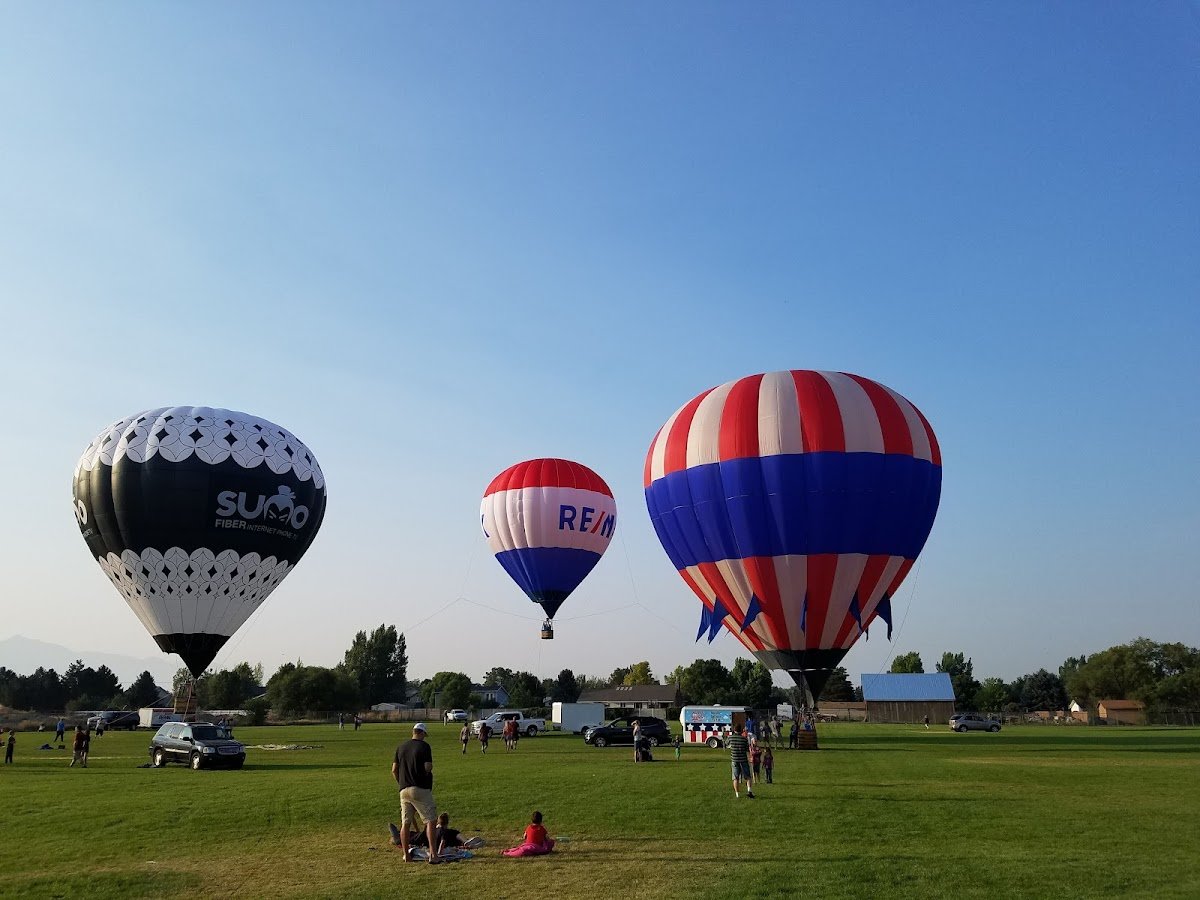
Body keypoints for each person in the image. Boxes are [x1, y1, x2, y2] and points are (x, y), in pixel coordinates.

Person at [391, 723, 440, 865]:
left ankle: (406, 855)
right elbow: (428, 766)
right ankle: (433, 854)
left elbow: (394, 769)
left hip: (403, 789)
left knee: (405, 823)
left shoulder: (400, 747)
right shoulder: (424, 746)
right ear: (422, 733)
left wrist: (401, 783)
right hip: (420, 788)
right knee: (431, 820)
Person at [728, 727, 753, 799]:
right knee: (748, 776)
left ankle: (737, 794)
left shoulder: (730, 738)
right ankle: (749, 791)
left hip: (734, 760)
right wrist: (750, 758)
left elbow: (727, 744)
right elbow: (747, 749)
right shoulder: (744, 739)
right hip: (743, 760)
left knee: (735, 778)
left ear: (734, 730)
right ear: (742, 730)